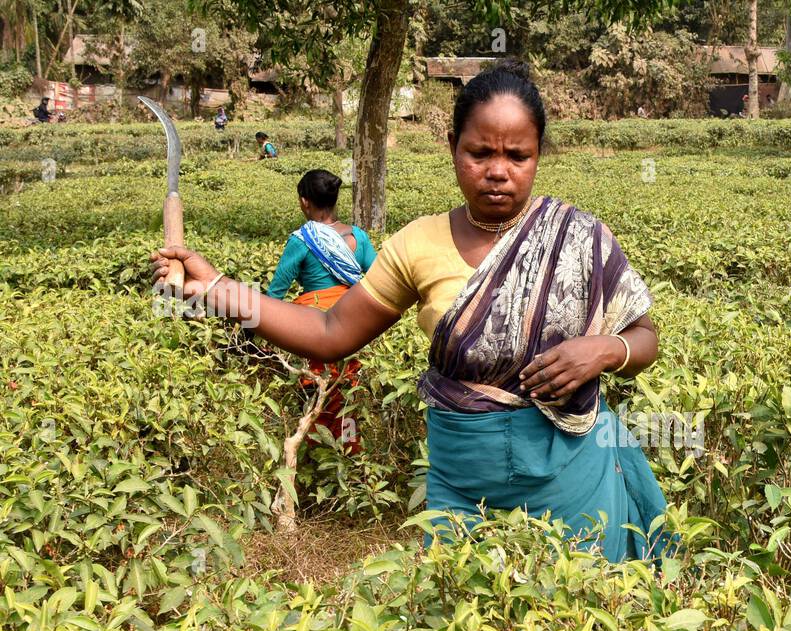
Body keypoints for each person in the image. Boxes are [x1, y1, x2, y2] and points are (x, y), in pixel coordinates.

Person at [150, 60, 671, 563]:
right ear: (451, 148)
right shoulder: (417, 242)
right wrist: (217, 289)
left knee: (577, 621)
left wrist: (605, 349)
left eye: (518, 156)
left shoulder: (581, 236)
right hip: (464, 482)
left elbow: (644, 337)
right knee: (461, 627)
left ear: (539, 155)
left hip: (572, 474)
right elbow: (331, 330)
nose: (497, 172)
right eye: (479, 152)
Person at [264, 169, 378, 454]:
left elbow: (276, 292)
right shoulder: (358, 238)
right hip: (355, 326)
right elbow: (381, 281)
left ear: (304, 202)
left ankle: (318, 455)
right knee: (346, 393)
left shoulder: (301, 240)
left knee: (318, 394)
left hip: (314, 330)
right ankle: (349, 453)